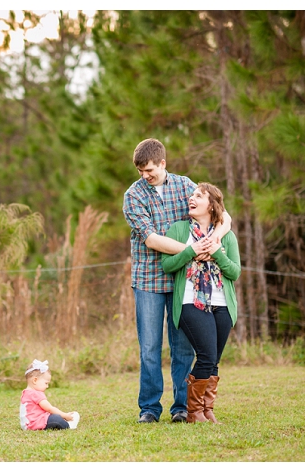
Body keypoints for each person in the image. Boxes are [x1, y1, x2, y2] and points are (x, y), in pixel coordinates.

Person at [123, 138, 231, 424]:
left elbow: (221, 213)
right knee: (149, 347)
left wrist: (214, 239)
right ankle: (149, 408)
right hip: (148, 280)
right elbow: (152, 239)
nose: (145, 176)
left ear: (163, 163)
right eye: (140, 172)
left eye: (149, 170)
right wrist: (193, 249)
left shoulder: (184, 186)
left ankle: (181, 407)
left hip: (184, 280)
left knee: (182, 346)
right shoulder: (133, 196)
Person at [161, 182, 240, 424]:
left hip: (221, 304)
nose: (191, 199)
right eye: (191, 195)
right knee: (205, 355)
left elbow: (234, 272)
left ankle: (207, 410)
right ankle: (193, 412)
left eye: (199, 196)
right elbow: (167, 266)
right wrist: (191, 250)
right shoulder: (178, 230)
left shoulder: (226, 236)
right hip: (190, 302)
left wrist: (217, 252)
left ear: (212, 205)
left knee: (213, 359)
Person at [19, 359, 80, 430]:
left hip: (27, 424)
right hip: (34, 423)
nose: (47, 386)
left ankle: (64, 420)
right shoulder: (36, 394)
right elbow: (49, 408)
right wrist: (64, 415)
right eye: (46, 383)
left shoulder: (26, 393)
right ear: (35, 380)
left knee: (52, 417)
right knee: (55, 418)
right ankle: (69, 425)